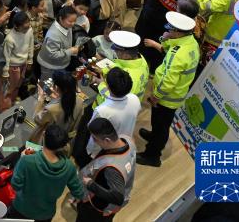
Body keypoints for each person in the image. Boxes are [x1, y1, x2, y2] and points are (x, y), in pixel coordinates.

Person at [137, 11, 200, 167]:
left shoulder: (178, 54)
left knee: (161, 126)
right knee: (160, 124)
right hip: (177, 95)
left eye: (170, 29)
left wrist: (155, 96)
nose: (168, 30)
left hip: (166, 98)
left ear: (178, 32)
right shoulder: (190, 42)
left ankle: (152, 155)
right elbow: (167, 47)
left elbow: (168, 81)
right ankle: (154, 137)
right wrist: (164, 39)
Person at [8, 124, 86, 222]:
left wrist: (21, 159)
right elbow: (79, 193)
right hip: (46, 214)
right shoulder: (69, 167)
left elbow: (15, 185)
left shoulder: (26, 161)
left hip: (22, 209)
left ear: (44, 135)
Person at [77, 118, 136, 222]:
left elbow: (117, 198)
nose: (93, 141)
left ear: (107, 140)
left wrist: (90, 184)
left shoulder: (112, 169)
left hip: (97, 209)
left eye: (95, 138)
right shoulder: (127, 139)